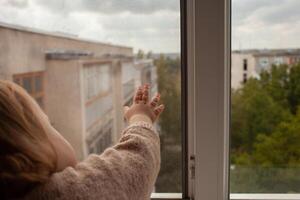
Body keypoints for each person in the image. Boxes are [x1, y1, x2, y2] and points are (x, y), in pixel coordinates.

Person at [0, 80, 164, 200]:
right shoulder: (65, 193)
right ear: (32, 149)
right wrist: (140, 117)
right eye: (49, 125)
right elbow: (136, 161)